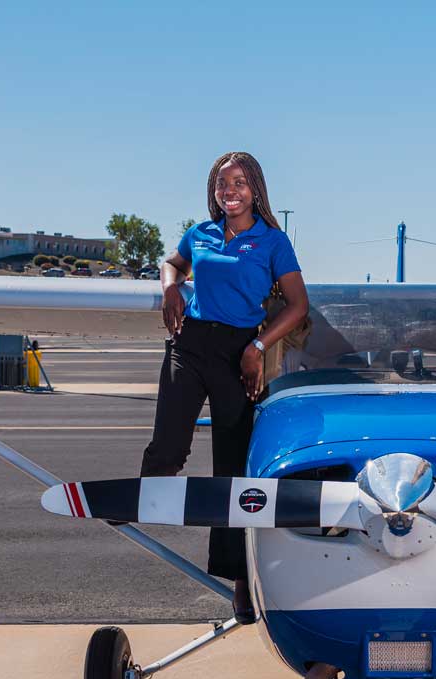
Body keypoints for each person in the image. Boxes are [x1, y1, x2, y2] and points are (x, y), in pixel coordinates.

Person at [143, 151, 310, 625]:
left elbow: (297, 305)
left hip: (240, 353)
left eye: (238, 182)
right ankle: (145, 495)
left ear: (255, 187)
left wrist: (257, 346)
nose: (229, 191)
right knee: (168, 445)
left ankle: (239, 578)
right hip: (190, 345)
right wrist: (171, 286)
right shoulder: (201, 233)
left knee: (232, 469)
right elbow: (171, 263)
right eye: (222, 184)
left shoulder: (273, 242)